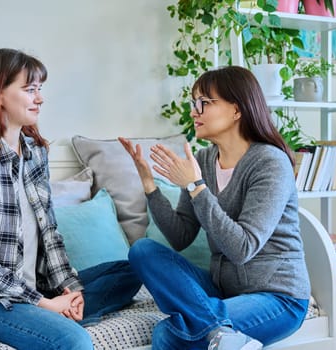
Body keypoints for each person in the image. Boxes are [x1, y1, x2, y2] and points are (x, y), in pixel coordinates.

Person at [0, 48, 142, 350]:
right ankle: (51, 320)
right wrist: (45, 304)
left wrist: (70, 290)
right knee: (74, 341)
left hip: (32, 288)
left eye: (39, 89)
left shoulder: (35, 153)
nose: (40, 98)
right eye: (29, 90)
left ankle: (56, 313)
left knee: (132, 270)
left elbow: (50, 235)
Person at [119, 65, 310, 350]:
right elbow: (181, 237)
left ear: (236, 110)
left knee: (169, 334)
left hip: (278, 297)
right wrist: (150, 186)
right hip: (224, 292)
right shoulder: (205, 160)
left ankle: (218, 332)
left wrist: (196, 186)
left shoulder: (270, 162)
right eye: (193, 103)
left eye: (204, 103)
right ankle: (224, 334)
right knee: (143, 251)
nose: (194, 111)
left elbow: (242, 249)